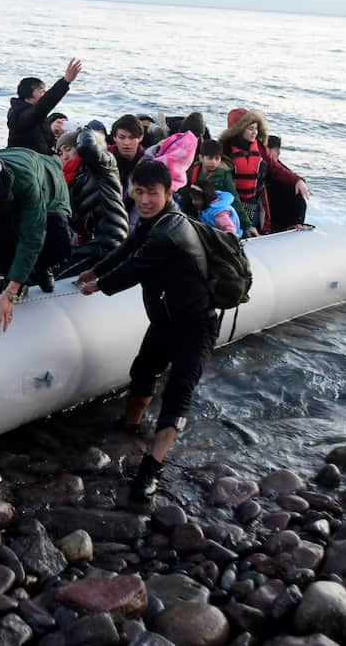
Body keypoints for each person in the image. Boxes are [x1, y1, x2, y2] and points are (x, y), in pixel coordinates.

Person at [76, 160, 216, 502]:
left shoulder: (171, 232)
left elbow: (135, 268)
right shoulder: (152, 222)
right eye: (138, 192)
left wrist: (97, 286)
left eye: (152, 193)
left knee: (178, 393)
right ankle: (129, 426)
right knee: (142, 372)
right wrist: (94, 270)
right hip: (165, 321)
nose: (144, 200)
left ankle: (151, 468)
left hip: (196, 325)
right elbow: (127, 248)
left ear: (169, 193)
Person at [0, 146, 72, 301]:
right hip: (6, 193)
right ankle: (16, 280)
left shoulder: (26, 182)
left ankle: (43, 266)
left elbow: (32, 235)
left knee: (59, 240)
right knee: (2, 238)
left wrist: (11, 291)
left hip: (48, 188)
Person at [219, 108, 305, 234]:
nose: (255, 132)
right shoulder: (224, 149)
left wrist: (297, 180)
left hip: (252, 202)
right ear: (239, 129)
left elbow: (275, 168)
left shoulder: (260, 148)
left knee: (252, 231)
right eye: (250, 129)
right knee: (237, 231)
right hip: (230, 201)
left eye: (256, 128)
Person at [58, 127, 128, 278]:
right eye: (60, 153)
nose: (64, 156)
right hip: (91, 245)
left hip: (108, 243)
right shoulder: (70, 180)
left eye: (68, 149)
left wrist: (85, 131)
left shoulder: (103, 166)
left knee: (56, 278)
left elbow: (88, 147)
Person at [6, 58, 83, 154]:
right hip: (25, 158)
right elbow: (44, 104)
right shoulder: (20, 114)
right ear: (29, 93)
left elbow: (44, 143)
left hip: (37, 158)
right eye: (41, 91)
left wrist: (53, 131)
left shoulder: (35, 116)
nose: (44, 94)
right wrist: (65, 81)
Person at [180, 139, 254, 236]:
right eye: (210, 158)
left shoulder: (224, 175)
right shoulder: (191, 171)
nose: (214, 162)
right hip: (194, 215)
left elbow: (235, 200)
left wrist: (248, 226)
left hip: (216, 219)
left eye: (217, 158)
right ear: (201, 158)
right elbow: (185, 196)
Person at [265, 135, 311, 231]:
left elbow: (300, 199)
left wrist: (298, 222)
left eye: (268, 152)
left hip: (283, 219)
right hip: (263, 212)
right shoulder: (259, 166)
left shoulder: (285, 174)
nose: (265, 156)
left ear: (277, 153)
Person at [109, 115, 144, 213]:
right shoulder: (105, 159)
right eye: (122, 137)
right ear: (114, 137)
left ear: (141, 137)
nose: (126, 143)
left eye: (132, 137)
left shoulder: (147, 161)